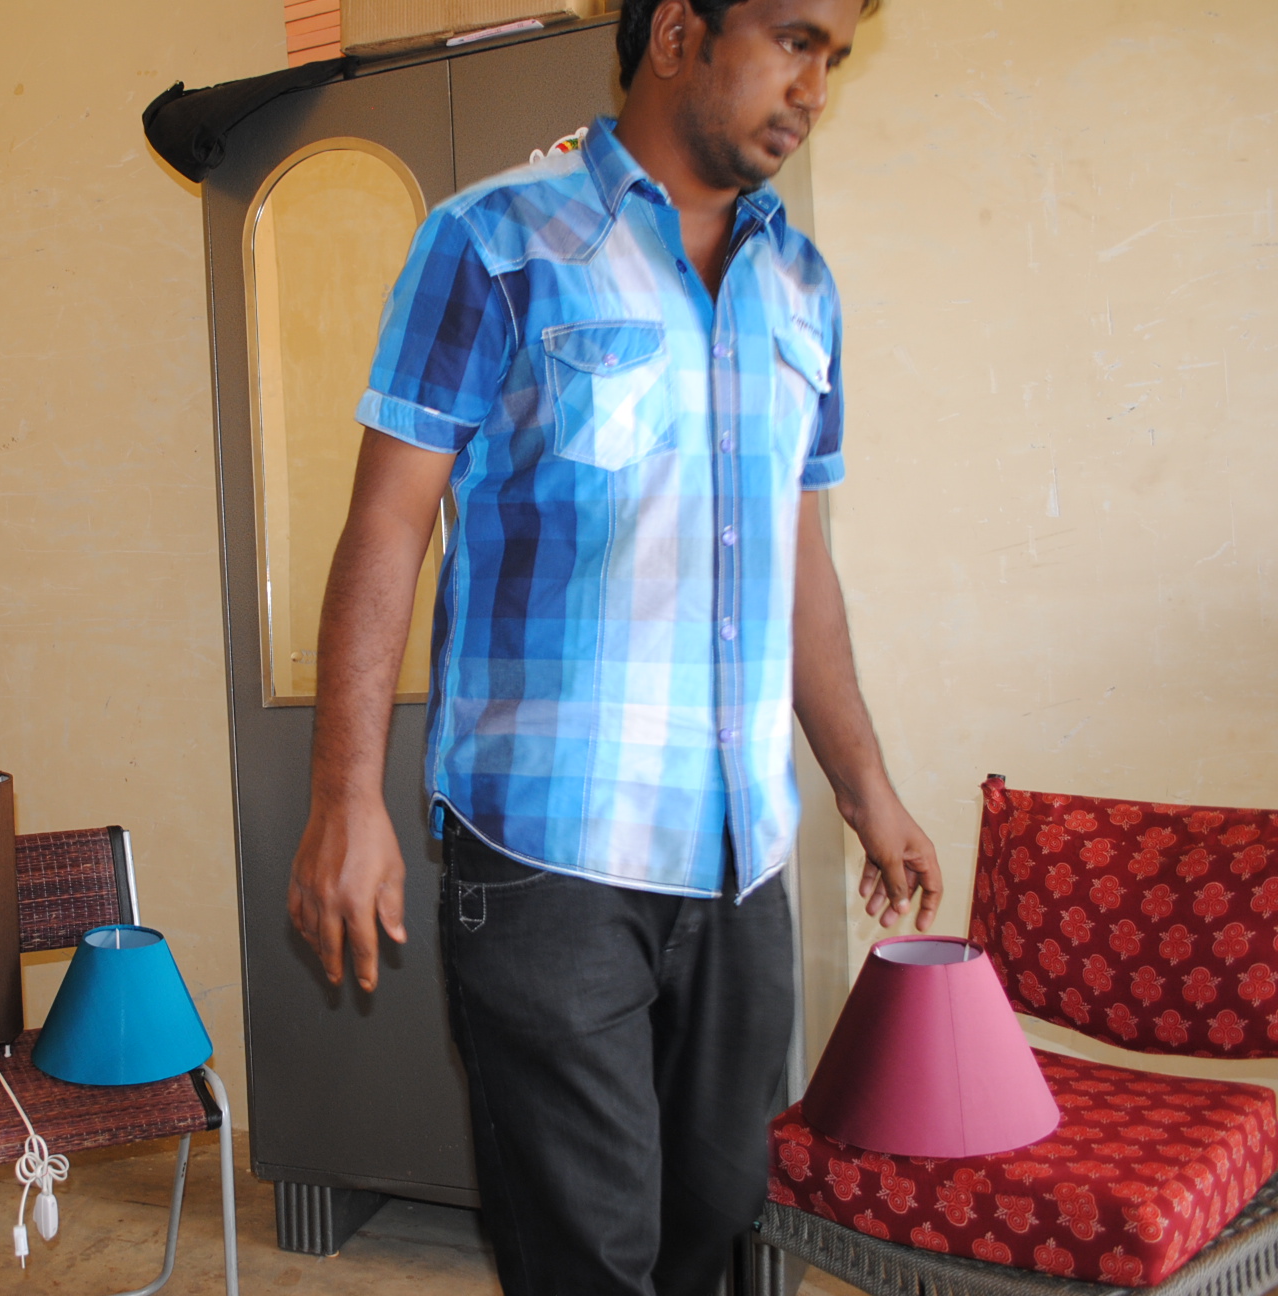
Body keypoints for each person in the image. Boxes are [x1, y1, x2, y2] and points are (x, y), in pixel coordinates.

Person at [285, 0, 943, 1292]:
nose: (815, 85)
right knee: (588, 1263)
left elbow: (800, 572)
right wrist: (343, 795)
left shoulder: (802, 289)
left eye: (836, 59)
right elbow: (385, 530)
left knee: (719, 1241)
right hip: (547, 866)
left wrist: (870, 794)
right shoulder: (493, 248)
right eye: (794, 40)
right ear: (680, 30)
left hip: (743, 864)